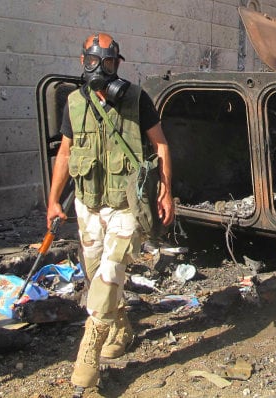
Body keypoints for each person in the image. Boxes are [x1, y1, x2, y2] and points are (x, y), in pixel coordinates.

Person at [45, 33, 174, 391]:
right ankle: (119, 326)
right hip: (88, 205)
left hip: (125, 206)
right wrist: (54, 200)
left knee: (111, 272)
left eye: (110, 63)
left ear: (118, 64)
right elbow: (66, 154)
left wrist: (166, 192)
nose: (101, 69)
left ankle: (89, 351)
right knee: (96, 274)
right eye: (94, 62)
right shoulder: (73, 102)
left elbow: (160, 144)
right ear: (83, 62)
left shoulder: (136, 99)